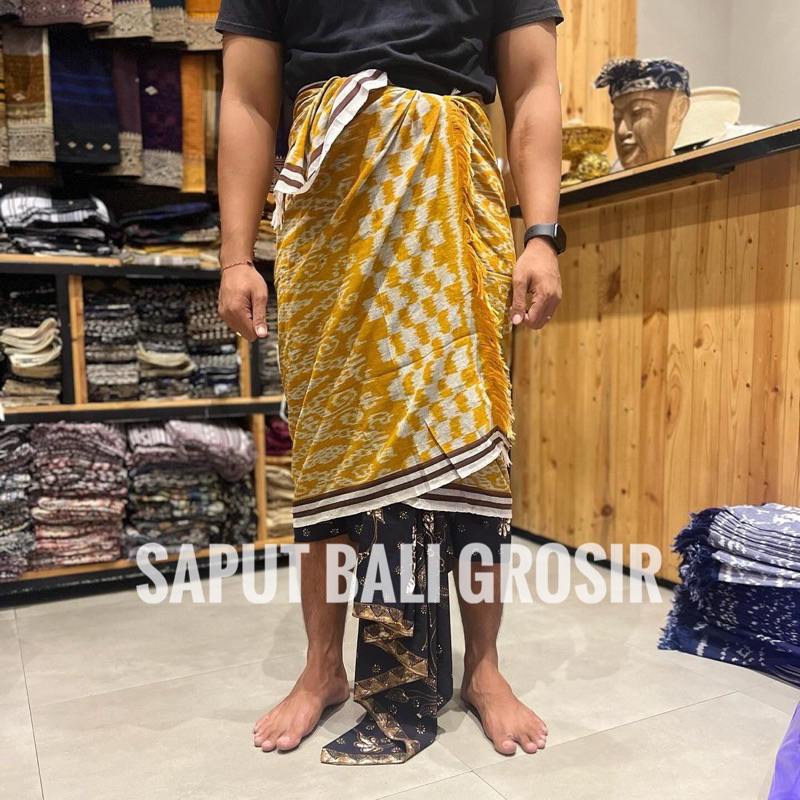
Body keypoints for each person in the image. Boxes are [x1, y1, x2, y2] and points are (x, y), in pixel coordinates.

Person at [215, 0, 565, 765]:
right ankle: (323, 668)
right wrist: (237, 255)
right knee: (332, 445)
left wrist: (541, 233)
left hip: (453, 193)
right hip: (329, 204)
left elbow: (534, 82)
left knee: (471, 439)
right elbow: (246, 97)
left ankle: (483, 667)